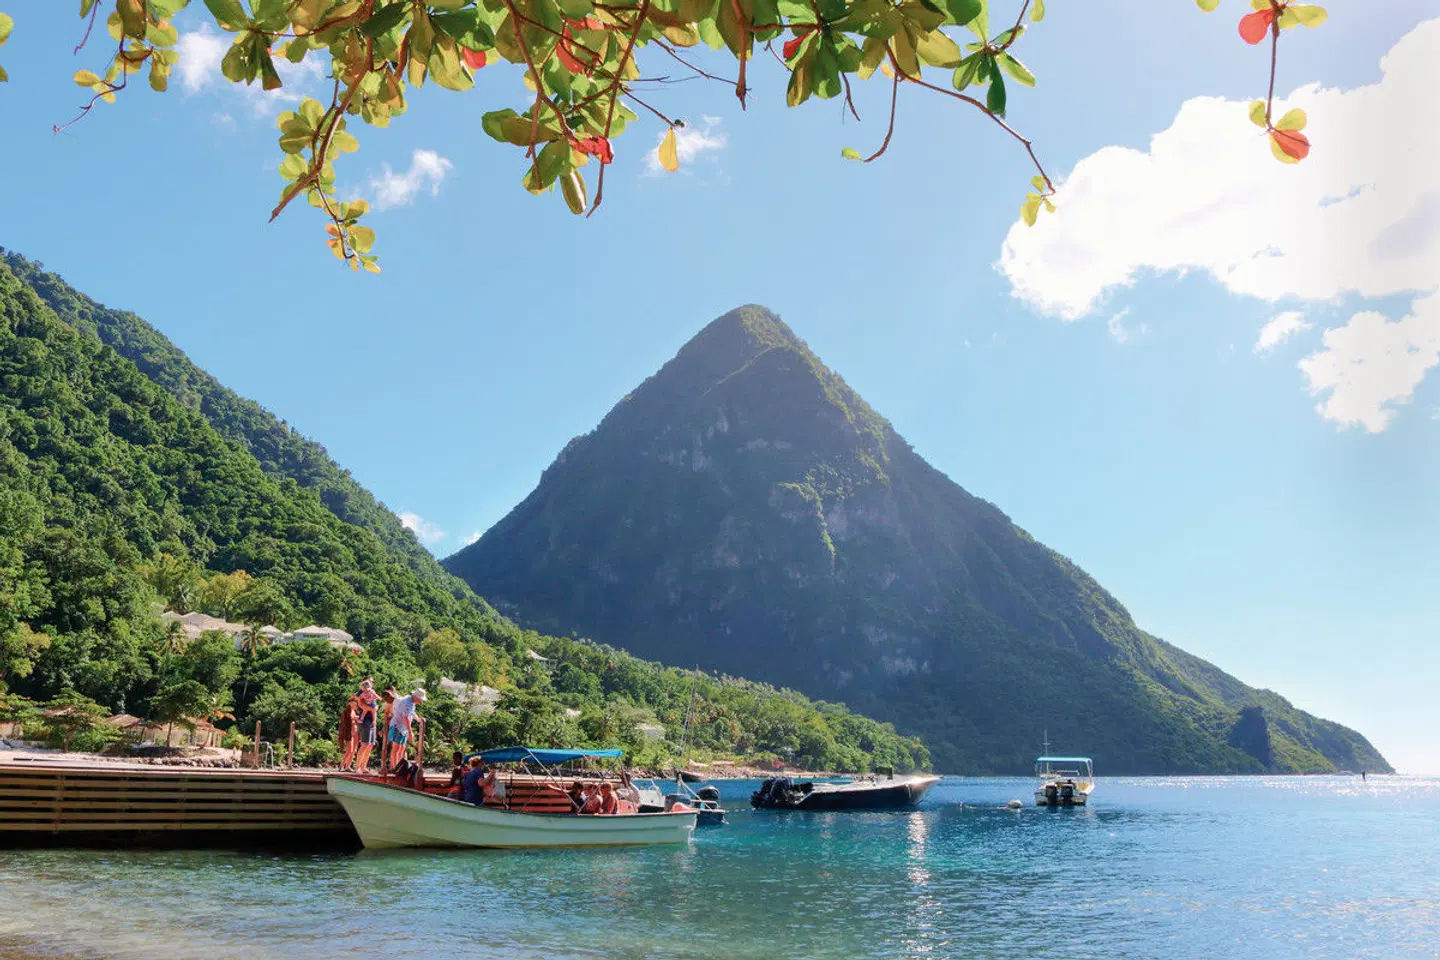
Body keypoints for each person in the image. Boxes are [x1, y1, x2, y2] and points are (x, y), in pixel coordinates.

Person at [386, 687, 427, 772]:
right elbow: (406, 718)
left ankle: (399, 767)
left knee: (401, 748)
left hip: (403, 728)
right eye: (420, 699)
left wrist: (418, 719)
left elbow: (412, 713)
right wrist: (410, 732)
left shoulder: (411, 702)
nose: (421, 701)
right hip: (398, 726)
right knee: (396, 748)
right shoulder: (407, 702)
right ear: (416, 697)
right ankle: (394, 768)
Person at [353, 679, 379, 773]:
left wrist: (375, 708)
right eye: (371, 681)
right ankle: (357, 767)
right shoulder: (361, 693)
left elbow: (376, 705)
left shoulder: (371, 692)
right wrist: (373, 709)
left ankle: (363, 766)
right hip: (365, 721)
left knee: (370, 745)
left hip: (372, 721)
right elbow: (362, 705)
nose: (372, 683)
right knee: (365, 744)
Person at [337, 695, 359, 771]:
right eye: (353, 702)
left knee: (354, 751)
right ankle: (341, 766)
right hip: (349, 733)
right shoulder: (346, 711)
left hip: (356, 732)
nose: (355, 704)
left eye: (355, 702)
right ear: (349, 703)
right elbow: (343, 724)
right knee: (349, 750)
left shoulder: (355, 711)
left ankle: (347, 766)